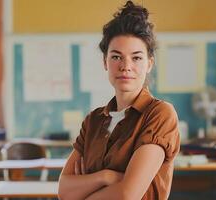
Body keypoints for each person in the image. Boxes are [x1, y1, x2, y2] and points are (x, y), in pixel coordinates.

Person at [58, 1, 180, 199]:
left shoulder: (159, 114)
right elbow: (64, 190)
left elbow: (127, 195)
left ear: (149, 63)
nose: (126, 66)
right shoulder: (93, 121)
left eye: (136, 58)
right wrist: (106, 177)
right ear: (105, 62)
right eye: (116, 57)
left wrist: (85, 188)